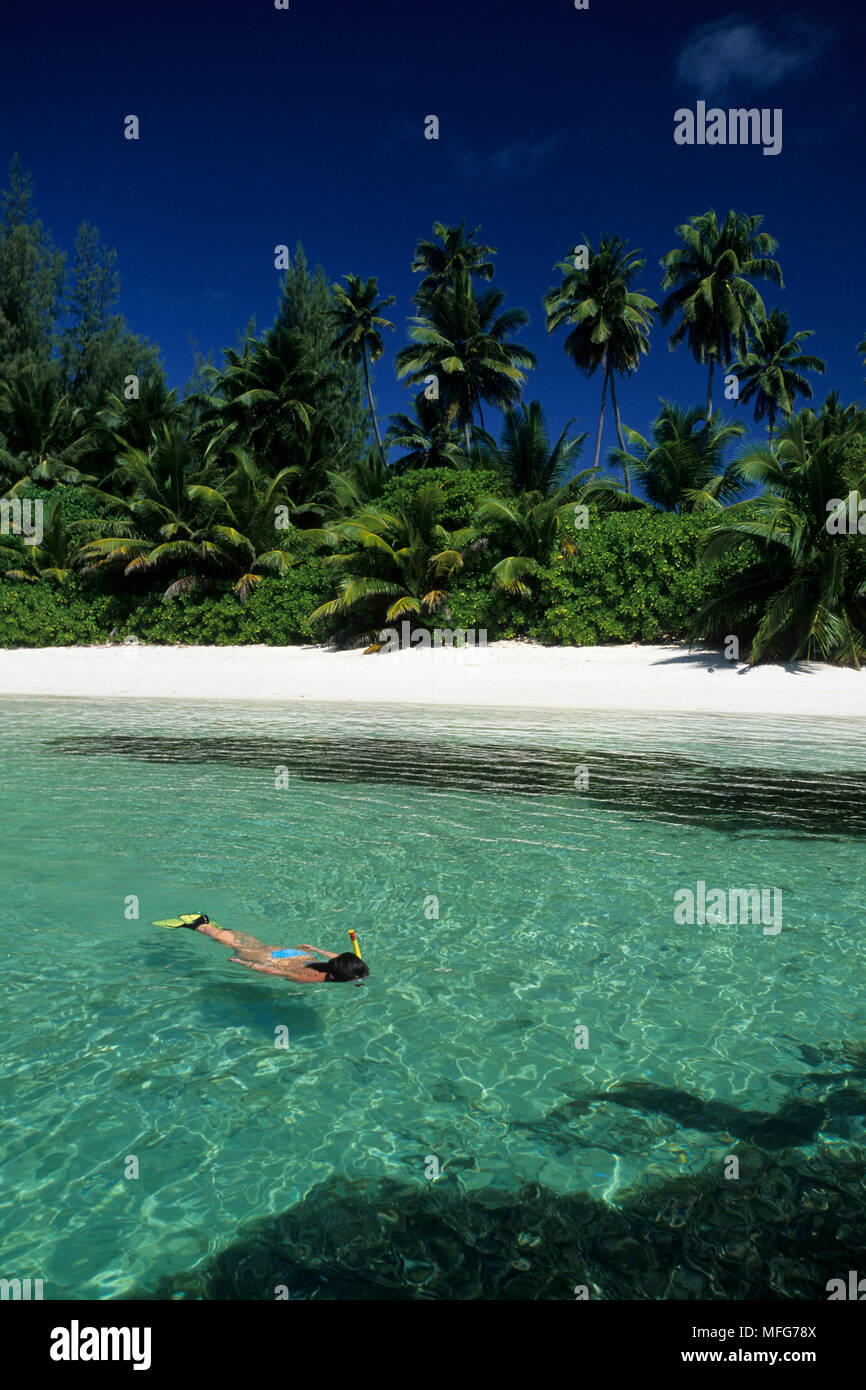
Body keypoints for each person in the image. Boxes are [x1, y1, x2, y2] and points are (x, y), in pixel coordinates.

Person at [160, 914, 369, 985]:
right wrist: (245, 964)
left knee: (251, 942)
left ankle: (218, 928)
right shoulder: (312, 977)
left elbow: (337, 957)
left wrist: (315, 949)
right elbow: (275, 971)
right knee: (236, 946)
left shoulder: (331, 964)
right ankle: (199, 924)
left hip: (294, 954)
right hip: (273, 961)